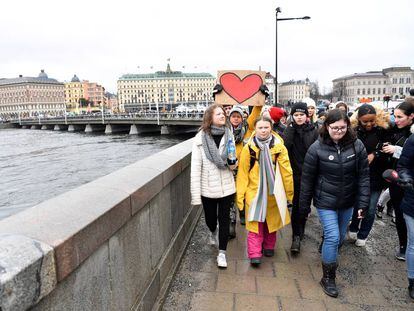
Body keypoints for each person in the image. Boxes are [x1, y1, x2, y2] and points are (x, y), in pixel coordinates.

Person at [299, 109, 370, 297]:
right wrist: (304, 207)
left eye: (343, 127)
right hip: (325, 201)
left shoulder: (357, 146)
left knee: (338, 237)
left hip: (347, 200)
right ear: (327, 126)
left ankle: (328, 250)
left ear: (348, 126)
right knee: (333, 236)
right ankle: (328, 278)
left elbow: (363, 176)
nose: (339, 131)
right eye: (335, 128)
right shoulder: (316, 148)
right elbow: (307, 180)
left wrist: (363, 204)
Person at [236, 116, 293, 266]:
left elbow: (286, 172)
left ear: (271, 128)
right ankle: (255, 253)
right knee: (255, 222)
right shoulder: (249, 148)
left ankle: (268, 246)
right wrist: (240, 196)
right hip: (254, 192)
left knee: (271, 221)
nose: (263, 130)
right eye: (260, 127)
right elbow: (242, 173)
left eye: (266, 127)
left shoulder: (280, 147)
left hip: (274, 191)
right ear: (255, 129)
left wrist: (289, 194)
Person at [191, 104, 237, 268]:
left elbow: (233, 163)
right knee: (211, 219)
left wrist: (233, 162)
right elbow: (195, 168)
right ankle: (212, 231)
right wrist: (196, 195)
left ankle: (222, 253)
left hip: (226, 186)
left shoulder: (229, 134)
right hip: (208, 188)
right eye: (218, 114)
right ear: (209, 117)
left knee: (224, 219)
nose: (222, 116)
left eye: (223, 113)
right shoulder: (200, 138)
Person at [348, 104, 389, 246]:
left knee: (370, 208)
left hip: (375, 176)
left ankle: (363, 233)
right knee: (358, 204)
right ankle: (354, 226)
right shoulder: (353, 132)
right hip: (357, 175)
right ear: (359, 119)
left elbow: (387, 151)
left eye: (372, 120)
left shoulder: (383, 131)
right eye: (365, 121)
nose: (369, 124)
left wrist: (375, 154)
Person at [282, 102, 318, 253]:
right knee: (296, 206)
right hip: (295, 175)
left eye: (301, 114)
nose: (299, 118)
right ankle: (296, 236)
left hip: (309, 175)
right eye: (296, 115)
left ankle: (301, 229)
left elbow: (317, 151)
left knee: (305, 206)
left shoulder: (314, 131)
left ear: (307, 115)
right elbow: (285, 146)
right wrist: (291, 129)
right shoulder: (289, 130)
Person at [382, 101, 414, 261]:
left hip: (409, 182)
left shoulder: (412, 135)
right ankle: (403, 246)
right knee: (400, 214)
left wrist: (396, 150)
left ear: (411, 117)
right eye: (395, 116)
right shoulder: (395, 130)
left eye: (400, 117)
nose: (396, 119)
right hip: (395, 179)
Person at [228, 105, 261, 231]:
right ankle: (231, 223)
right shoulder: (225, 130)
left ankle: (242, 212)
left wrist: (259, 101)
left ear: (242, 118)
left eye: (238, 117)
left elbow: (255, 113)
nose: (236, 119)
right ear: (229, 118)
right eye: (233, 116)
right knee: (231, 195)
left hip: (245, 168)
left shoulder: (248, 129)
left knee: (243, 192)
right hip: (230, 167)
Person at [396, 125, 414, 299]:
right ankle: (412, 281)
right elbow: (403, 166)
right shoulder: (413, 139)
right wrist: (406, 178)